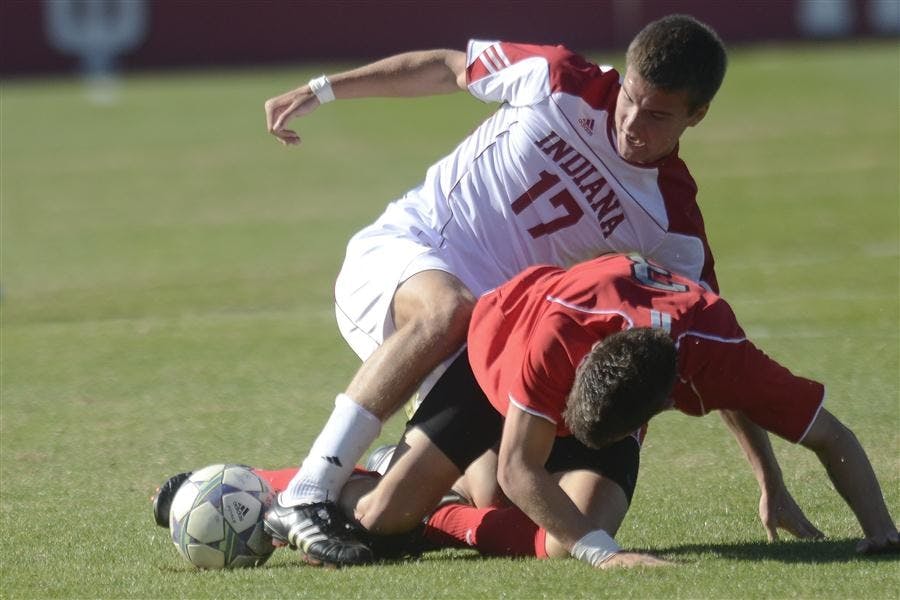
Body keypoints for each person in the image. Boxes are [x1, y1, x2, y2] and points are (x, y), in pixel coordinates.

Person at [259, 14, 817, 565]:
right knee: (450, 308)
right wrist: (323, 89)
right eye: (630, 99)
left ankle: (389, 483)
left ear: (696, 116)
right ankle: (306, 490)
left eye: (657, 116)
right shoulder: (557, 77)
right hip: (406, 254)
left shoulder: (671, 217)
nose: (631, 123)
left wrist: (769, 477)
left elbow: (712, 343)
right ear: (624, 73)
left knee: (499, 496)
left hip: (487, 342)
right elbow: (445, 68)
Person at [151, 254, 898, 567]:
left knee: (560, 529)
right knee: (378, 527)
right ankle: (263, 481)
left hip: (577, 393)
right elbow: (520, 465)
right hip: (493, 367)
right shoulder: (552, 341)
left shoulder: (719, 352)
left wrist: (882, 534)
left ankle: (429, 489)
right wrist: (603, 558)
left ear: (670, 402)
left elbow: (830, 435)